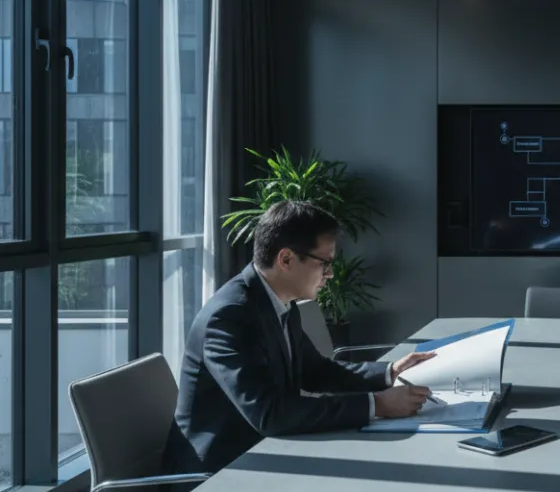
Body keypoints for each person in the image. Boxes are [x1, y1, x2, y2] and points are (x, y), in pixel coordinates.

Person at [168, 200, 434, 475]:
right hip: (217, 474)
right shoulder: (229, 317)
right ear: (286, 259)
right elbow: (269, 414)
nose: (330, 274)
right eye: (325, 263)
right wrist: (377, 404)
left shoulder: (278, 300)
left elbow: (314, 371)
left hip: (268, 454)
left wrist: (389, 373)